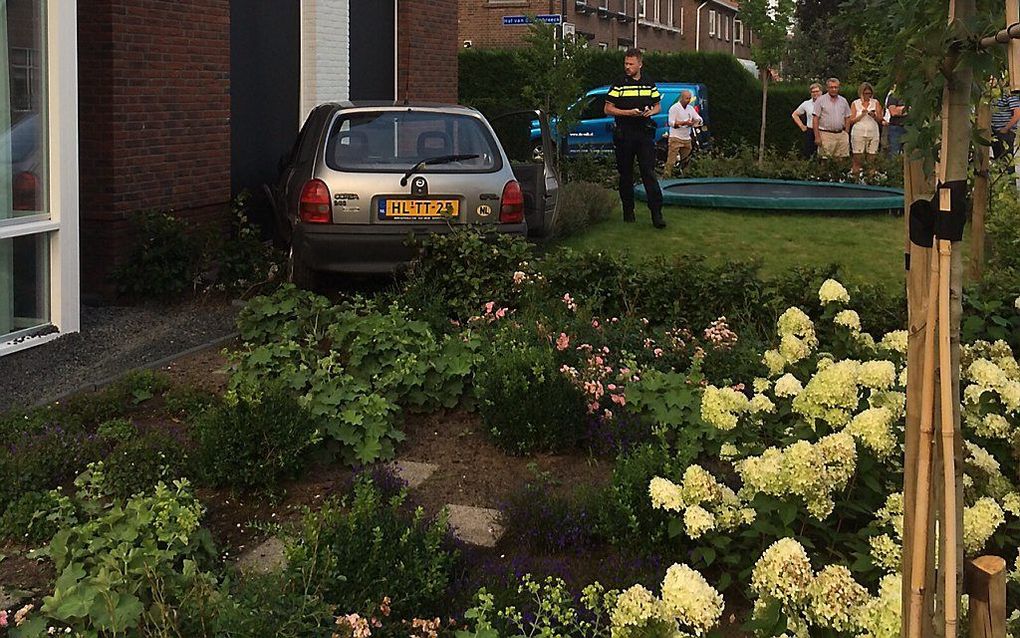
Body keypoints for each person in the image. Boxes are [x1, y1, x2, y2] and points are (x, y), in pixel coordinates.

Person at [604, 48, 666, 228]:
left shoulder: (648, 82)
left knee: (649, 172)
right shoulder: (619, 83)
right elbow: (608, 109)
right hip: (625, 133)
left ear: (640, 64)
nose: (627, 67)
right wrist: (628, 113)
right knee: (626, 174)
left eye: (631, 64)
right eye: (626, 63)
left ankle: (656, 213)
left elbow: (658, 106)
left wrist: (649, 112)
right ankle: (628, 212)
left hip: (644, 133)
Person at [663, 89, 703, 178]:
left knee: (686, 161)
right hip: (675, 138)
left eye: (689, 98)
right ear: (681, 98)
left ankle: (685, 177)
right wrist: (684, 123)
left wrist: (697, 121)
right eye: (686, 98)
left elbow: (698, 118)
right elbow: (671, 123)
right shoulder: (674, 108)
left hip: (686, 138)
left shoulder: (690, 108)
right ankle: (666, 178)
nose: (688, 100)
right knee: (671, 161)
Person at [849, 82, 883, 177]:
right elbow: (851, 120)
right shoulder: (855, 103)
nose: (868, 95)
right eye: (865, 93)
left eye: (869, 93)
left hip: (873, 132)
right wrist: (861, 115)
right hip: (858, 132)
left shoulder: (875, 102)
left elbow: (880, 119)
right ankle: (855, 178)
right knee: (857, 157)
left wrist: (874, 115)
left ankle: (870, 179)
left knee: (872, 158)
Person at [812, 77, 851, 160]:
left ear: (838, 88)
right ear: (827, 88)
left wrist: (846, 132)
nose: (834, 89)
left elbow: (847, 116)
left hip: (841, 134)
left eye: (835, 87)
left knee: (841, 160)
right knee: (825, 159)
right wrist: (817, 136)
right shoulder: (820, 100)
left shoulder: (843, 101)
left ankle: (839, 173)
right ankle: (824, 174)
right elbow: (815, 119)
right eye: (831, 87)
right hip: (826, 135)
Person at [792, 83, 823, 158]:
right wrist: (802, 126)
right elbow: (794, 114)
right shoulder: (806, 104)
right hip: (810, 132)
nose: (815, 93)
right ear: (811, 93)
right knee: (810, 154)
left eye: (817, 91)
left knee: (823, 154)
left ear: (821, 92)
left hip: (823, 131)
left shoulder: (827, 102)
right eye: (813, 92)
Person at [991, 88, 1020, 160]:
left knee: (1006, 159)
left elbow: (1017, 113)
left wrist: (1006, 128)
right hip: (995, 131)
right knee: (998, 158)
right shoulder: (992, 94)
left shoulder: (1009, 94)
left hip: (1005, 132)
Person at [884, 85, 907, 156]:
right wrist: (907, 109)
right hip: (896, 128)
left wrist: (900, 109)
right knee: (894, 152)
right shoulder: (893, 96)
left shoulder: (914, 95)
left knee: (910, 153)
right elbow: (893, 112)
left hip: (910, 127)